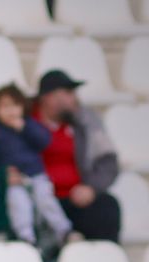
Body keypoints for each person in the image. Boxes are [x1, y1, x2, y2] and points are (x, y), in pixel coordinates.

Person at [0, 84, 73, 254]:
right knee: (19, 204)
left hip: (36, 175)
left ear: (23, 107)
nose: (10, 111)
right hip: (15, 179)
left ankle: (64, 231)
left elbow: (45, 141)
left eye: (14, 105)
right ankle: (26, 237)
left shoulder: (29, 124)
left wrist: (24, 128)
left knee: (46, 200)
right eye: (4, 106)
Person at [30, 70, 122, 244]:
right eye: (69, 92)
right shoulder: (23, 121)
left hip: (75, 198)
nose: (75, 98)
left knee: (107, 206)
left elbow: (108, 161)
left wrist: (91, 188)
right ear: (48, 97)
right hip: (38, 200)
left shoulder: (86, 120)